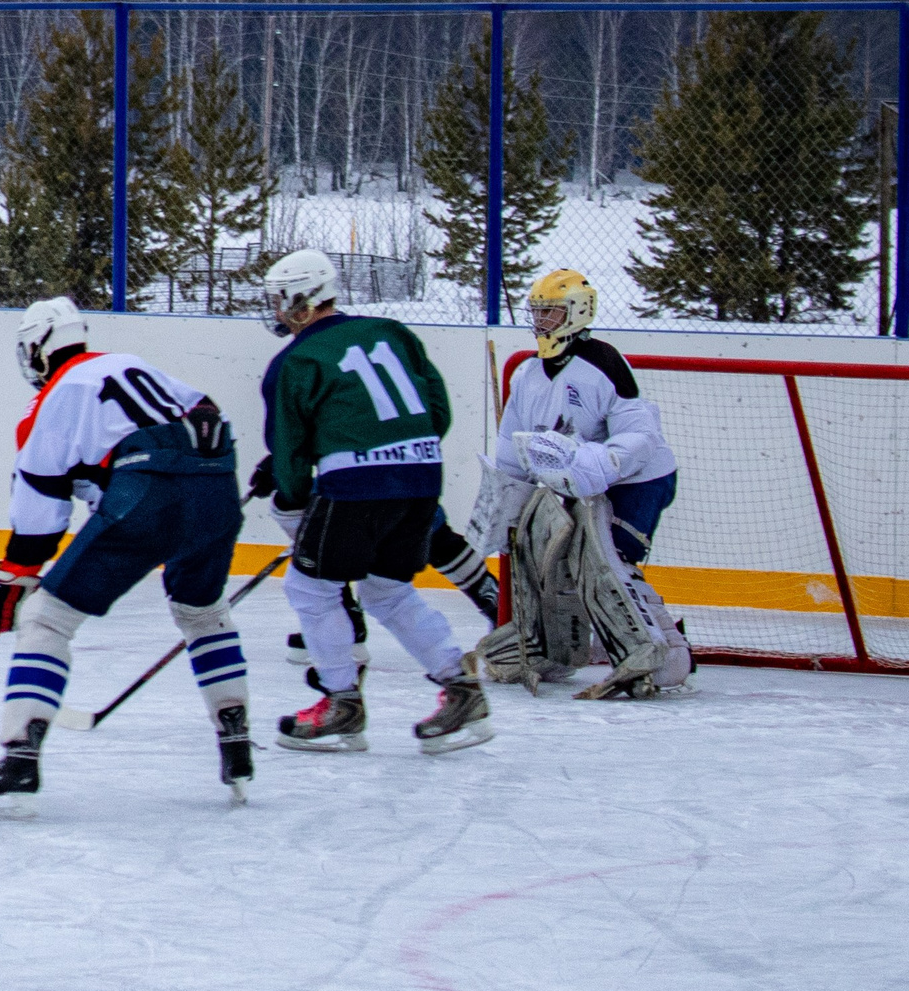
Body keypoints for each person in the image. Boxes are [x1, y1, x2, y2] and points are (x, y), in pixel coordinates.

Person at [0, 296, 252, 812]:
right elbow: (208, 414)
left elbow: (40, 510)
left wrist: (11, 574)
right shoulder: (135, 364)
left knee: (46, 619)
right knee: (203, 612)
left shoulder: (54, 398)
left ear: (36, 348)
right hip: (217, 489)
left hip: (148, 492)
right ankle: (235, 736)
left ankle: (20, 755)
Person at [252, 249, 491, 755]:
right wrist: (404, 451)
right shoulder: (393, 331)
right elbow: (437, 411)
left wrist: (292, 499)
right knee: (387, 590)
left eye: (280, 299)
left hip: (356, 486)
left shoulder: (295, 361)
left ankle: (342, 704)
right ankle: (462, 689)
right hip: (423, 475)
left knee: (312, 590)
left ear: (303, 299)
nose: (275, 309)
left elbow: (290, 454)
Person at [467, 269, 691, 699]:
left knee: (613, 561)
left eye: (550, 312)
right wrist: (505, 497)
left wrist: (598, 460)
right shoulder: (528, 374)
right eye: (537, 312)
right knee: (560, 563)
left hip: (638, 480)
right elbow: (513, 447)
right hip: (587, 488)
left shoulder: (602, 361)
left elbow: (640, 433)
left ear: (577, 312)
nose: (541, 322)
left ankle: (669, 655)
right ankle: (557, 647)